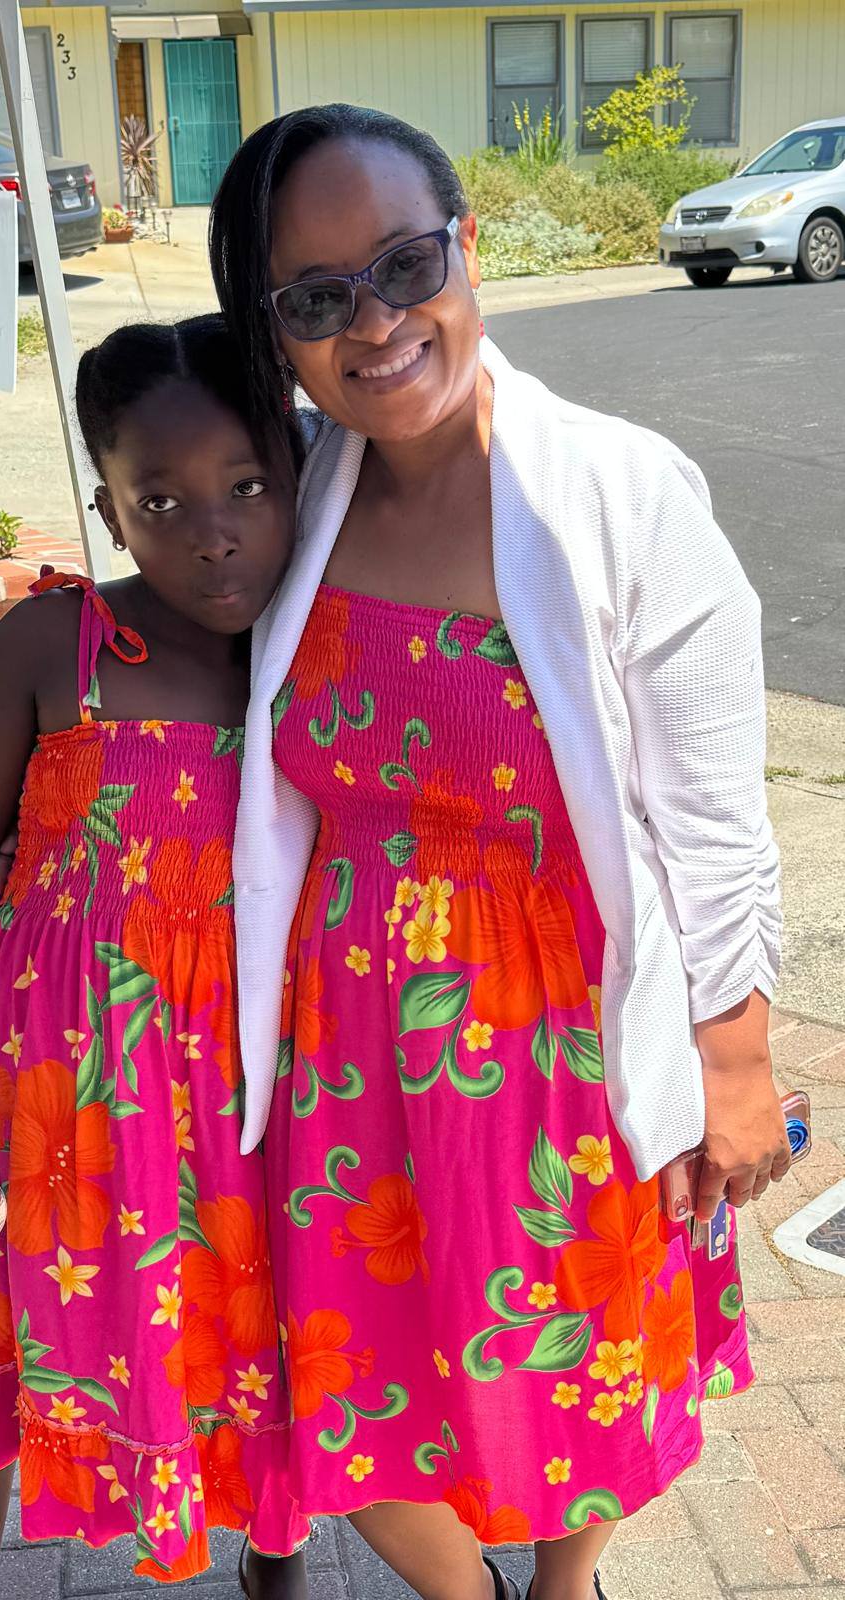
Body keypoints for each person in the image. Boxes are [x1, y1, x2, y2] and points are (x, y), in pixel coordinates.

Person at [208, 105, 788, 1600]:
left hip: (560, 1049)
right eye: (319, 297)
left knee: (590, 1359)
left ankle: (563, 1581)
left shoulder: (614, 491)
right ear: (273, 326)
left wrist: (732, 1069)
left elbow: (715, 818)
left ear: (463, 245)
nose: (376, 323)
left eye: (404, 263)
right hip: (347, 1053)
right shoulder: (297, 498)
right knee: (351, 1376)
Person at [0, 316, 311, 1600]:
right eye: (157, 499)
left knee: (257, 1329)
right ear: (109, 512)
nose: (208, 530)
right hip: (39, 1091)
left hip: (245, 1086)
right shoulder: (52, 651)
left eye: (243, 487)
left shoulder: (317, 652)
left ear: (293, 471)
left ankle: (272, 1570)